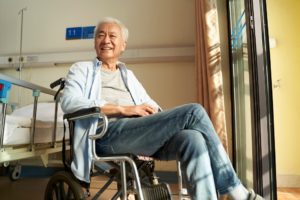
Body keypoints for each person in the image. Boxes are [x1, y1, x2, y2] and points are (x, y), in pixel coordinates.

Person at [61, 17, 264, 200]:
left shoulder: (127, 75)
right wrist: (123, 109)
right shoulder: (81, 69)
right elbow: (69, 102)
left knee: (193, 138)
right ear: (95, 42)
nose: (106, 40)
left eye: (112, 36)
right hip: (105, 134)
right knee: (194, 111)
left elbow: (150, 104)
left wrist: (163, 121)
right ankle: (236, 191)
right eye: (100, 35)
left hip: (139, 133)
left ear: (123, 45)